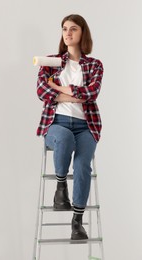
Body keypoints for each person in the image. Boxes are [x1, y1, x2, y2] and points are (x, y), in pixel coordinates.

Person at [36, 14, 103, 240]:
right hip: (56, 124)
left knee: (83, 164)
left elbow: (91, 93)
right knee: (65, 139)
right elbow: (42, 92)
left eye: (73, 28)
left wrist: (57, 88)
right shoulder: (51, 61)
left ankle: (77, 222)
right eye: (64, 28)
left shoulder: (94, 65)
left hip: (86, 126)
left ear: (83, 33)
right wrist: (73, 97)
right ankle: (61, 188)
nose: (68, 33)